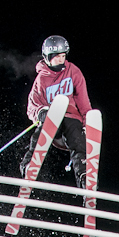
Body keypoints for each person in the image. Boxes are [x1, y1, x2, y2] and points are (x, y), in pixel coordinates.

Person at [24, 34, 93, 187]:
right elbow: (32, 106)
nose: (61, 60)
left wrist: (87, 123)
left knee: (77, 138)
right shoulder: (41, 79)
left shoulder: (73, 71)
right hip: (53, 118)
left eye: (63, 56)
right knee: (44, 128)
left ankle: (84, 175)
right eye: (57, 57)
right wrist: (41, 112)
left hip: (71, 118)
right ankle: (29, 164)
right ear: (47, 57)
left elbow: (83, 101)